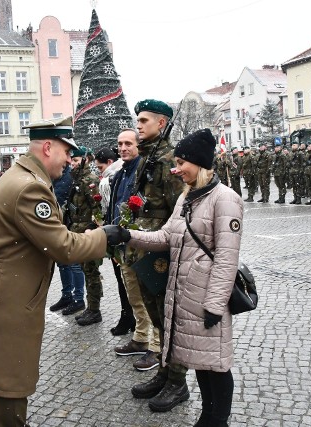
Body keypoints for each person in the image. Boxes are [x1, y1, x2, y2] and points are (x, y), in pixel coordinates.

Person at [0, 116, 109, 427]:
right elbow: (64, 247)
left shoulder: (18, 177)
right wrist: (104, 236)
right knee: (8, 377)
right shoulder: (29, 189)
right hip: (4, 298)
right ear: (48, 148)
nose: (70, 159)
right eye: (66, 151)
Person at [105, 128, 242, 427]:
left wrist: (216, 305)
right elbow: (166, 236)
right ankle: (208, 415)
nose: (176, 169)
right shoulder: (186, 198)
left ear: (200, 162)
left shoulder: (225, 200)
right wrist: (128, 235)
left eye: (182, 163)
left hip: (207, 298)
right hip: (185, 294)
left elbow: (227, 258)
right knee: (200, 362)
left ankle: (217, 419)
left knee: (216, 365)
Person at [125, 99, 188, 411]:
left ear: (162, 124)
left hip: (162, 253)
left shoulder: (168, 161)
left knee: (169, 319)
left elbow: (181, 212)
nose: (139, 126)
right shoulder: (147, 158)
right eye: (138, 121)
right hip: (145, 250)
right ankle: (164, 373)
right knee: (156, 317)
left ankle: (178, 382)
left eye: (145, 121)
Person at [107, 129, 158, 355]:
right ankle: (140, 337)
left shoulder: (144, 170)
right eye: (120, 144)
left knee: (150, 297)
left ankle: (156, 345)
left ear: (138, 146)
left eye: (128, 143)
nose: (123, 148)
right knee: (134, 296)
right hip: (123, 245)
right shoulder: (120, 173)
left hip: (143, 243)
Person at [95, 146, 133, 335]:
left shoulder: (115, 176)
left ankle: (129, 317)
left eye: (100, 167)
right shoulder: (115, 176)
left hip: (122, 233)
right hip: (114, 231)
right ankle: (127, 316)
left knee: (127, 279)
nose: (99, 171)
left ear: (109, 163)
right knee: (121, 279)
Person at [65, 146, 105, 326]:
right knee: (85, 271)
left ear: (85, 160)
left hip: (87, 232)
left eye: (76, 160)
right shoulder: (77, 179)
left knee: (91, 272)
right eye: (72, 160)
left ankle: (94, 309)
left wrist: (92, 229)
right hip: (76, 230)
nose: (72, 164)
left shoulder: (90, 180)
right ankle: (90, 307)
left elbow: (97, 209)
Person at [49, 164, 86, 315]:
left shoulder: (70, 176)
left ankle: (79, 299)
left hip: (71, 224)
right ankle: (67, 295)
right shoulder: (54, 174)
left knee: (74, 264)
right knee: (62, 263)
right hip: (58, 224)